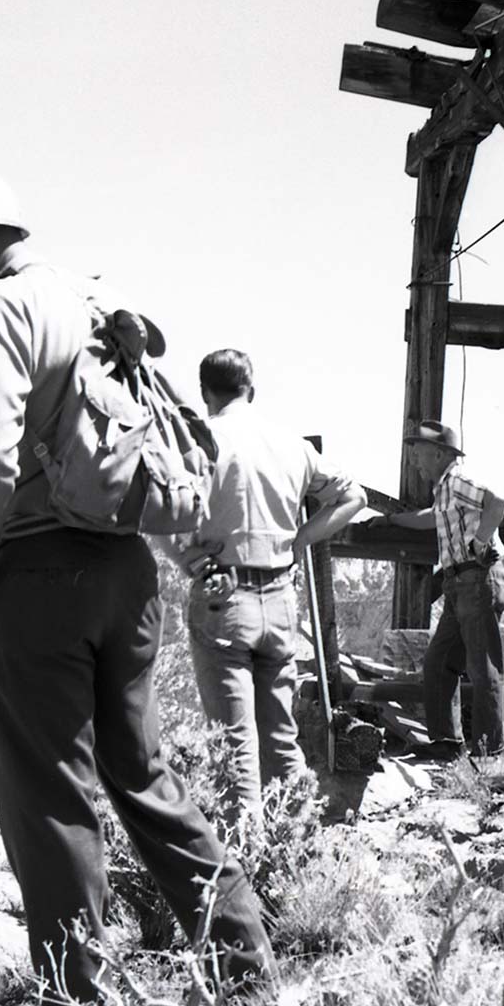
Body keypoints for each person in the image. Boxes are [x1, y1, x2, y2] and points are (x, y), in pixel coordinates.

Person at [0, 167, 276, 1006]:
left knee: (46, 794)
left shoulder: (0, 309)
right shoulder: (97, 297)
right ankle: (247, 962)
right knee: (141, 773)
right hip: (125, 573)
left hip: (37, 577)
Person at [161, 349, 366, 829]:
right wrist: (299, 541)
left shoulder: (200, 441)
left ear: (206, 392)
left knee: (235, 744)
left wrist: (190, 561)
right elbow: (352, 495)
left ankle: (243, 862)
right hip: (279, 597)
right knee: (279, 737)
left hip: (223, 594)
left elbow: (163, 515)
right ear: (251, 389)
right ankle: (301, 846)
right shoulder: (290, 444)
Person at [374, 420, 504, 758]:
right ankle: (447, 744)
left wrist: (480, 542)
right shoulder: (446, 489)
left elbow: (499, 501)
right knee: (439, 663)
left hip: (476, 579)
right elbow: (430, 518)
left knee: (483, 669)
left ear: (438, 453)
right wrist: (391, 521)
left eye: (419, 453)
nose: (415, 461)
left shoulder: (459, 480)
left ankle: (490, 754)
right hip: (459, 585)